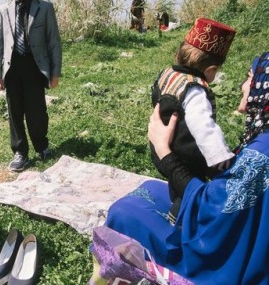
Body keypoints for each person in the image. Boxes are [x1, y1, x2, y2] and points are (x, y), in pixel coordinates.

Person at [103, 51, 269, 284]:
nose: (243, 85)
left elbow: (213, 208)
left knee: (124, 213)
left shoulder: (262, 152)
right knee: (149, 189)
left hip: (223, 260)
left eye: (250, 77)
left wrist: (165, 153)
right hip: (239, 230)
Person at [151, 18, 236, 224]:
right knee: (190, 186)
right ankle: (177, 220)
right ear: (211, 70)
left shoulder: (167, 74)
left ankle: (175, 202)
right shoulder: (195, 89)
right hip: (185, 154)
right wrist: (219, 156)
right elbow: (203, 126)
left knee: (176, 182)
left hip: (161, 145)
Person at [0, 0, 62, 172]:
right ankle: (20, 152)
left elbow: (53, 42)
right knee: (15, 112)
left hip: (34, 66)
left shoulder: (45, 8)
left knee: (36, 111)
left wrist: (55, 72)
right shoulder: (4, 10)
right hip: (12, 68)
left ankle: (42, 145)